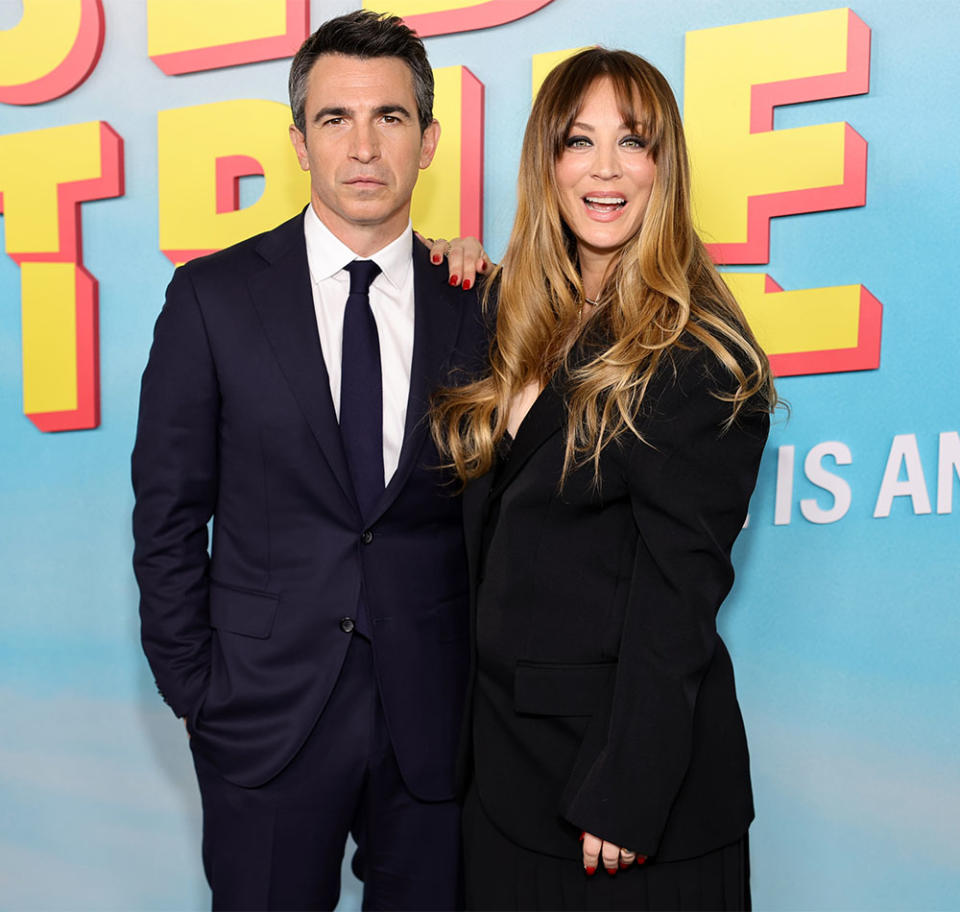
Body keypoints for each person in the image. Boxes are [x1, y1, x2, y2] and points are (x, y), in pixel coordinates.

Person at [132, 11, 487, 911]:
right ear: (299, 140)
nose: (363, 146)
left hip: (436, 716)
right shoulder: (212, 298)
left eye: (391, 118)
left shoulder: (480, 304)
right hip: (262, 713)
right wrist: (196, 691)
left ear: (430, 138)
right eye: (335, 119)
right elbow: (168, 513)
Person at [431, 47, 777, 911]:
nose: (606, 170)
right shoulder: (513, 318)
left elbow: (678, 599)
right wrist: (445, 266)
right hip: (504, 778)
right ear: (546, 163)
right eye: (578, 142)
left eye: (634, 142)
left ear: (667, 165)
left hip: (622, 805)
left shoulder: (697, 355)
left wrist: (629, 793)